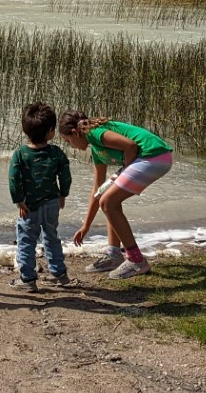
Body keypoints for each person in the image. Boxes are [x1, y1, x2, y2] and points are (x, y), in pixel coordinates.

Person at [59, 111, 172, 280]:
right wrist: (86, 226)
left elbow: (130, 146)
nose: (71, 146)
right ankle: (113, 254)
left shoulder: (94, 133)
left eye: (69, 141)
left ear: (75, 133)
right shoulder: (97, 151)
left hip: (153, 156)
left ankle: (136, 261)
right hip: (153, 158)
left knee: (108, 202)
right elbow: (97, 190)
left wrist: (124, 169)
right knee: (108, 198)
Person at [9, 101, 72, 291]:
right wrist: (63, 194)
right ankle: (59, 273)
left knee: (26, 241)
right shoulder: (56, 153)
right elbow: (65, 175)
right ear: (51, 131)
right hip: (52, 203)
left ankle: (28, 279)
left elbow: (13, 178)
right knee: (52, 237)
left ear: (26, 130)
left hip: (29, 206)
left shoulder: (20, 154)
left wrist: (19, 200)